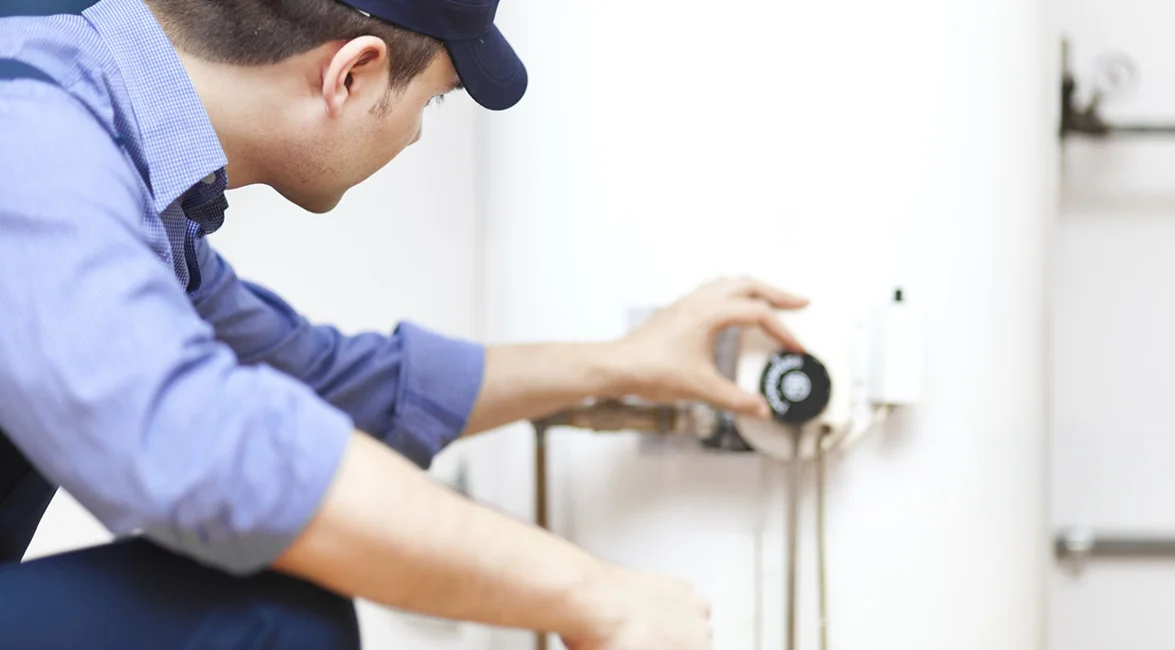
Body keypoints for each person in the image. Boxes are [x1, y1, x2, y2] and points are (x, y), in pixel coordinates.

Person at [0, 0, 809, 648]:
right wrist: (594, 593)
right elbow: (201, 442)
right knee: (267, 615)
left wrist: (624, 364)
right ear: (351, 75)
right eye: (434, 101)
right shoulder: (31, 126)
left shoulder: (132, 181)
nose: (418, 131)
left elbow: (321, 383)